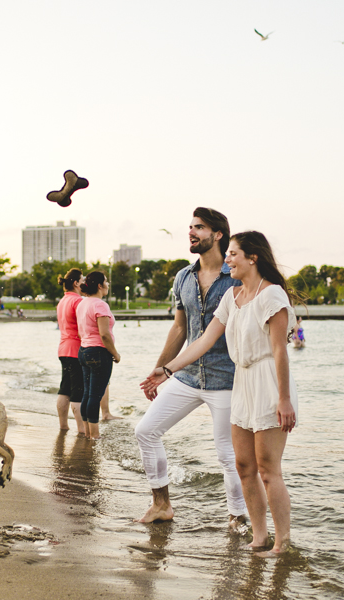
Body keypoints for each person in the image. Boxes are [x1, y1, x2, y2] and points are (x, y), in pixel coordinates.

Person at [142, 231, 298, 556]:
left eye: (233, 254)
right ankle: (259, 537)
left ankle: (282, 543)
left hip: (268, 383)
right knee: (244, 466)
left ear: (252, 258)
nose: (227, 260)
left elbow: (280, 352)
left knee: (268, 470)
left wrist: (284, 399)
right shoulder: (233, 297)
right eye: (227, 254)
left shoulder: (273, 297)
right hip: (241, 383)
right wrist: (167, 369)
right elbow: (203, 341)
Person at [133, 207, 247, 527]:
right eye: (190, 227)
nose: (192, 232)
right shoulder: (183, 277)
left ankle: (237, 518)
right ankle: (161, 505)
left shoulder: (236, 275)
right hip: (187, 375)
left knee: (227, 455)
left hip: (227, 378)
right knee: (146, 431)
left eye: (199, 227)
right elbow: (180, 330)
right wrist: (159, 371)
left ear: (218, 234)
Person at [75, 271, 120, 440]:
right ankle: (94, 435)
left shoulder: (82, 304)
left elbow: (81, 331)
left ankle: (88, 433)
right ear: (100, 286)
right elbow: (104, 335)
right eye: (106, 281)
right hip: (99, 352)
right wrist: (115, 353)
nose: (108, 284)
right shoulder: (100, 305)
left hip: (84, 350)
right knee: (95, 396)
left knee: (87, 394)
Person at [55, 268, 86, 434]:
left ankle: (63, 425)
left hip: (63, 349)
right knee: (77, 392)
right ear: (75, 283)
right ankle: (81, 429)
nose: (85, 283)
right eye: (82, 280)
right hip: (76, 350)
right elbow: (83, 328)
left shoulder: (62, 301)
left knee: (64, 388)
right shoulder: (78, 301)